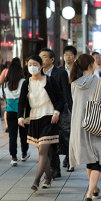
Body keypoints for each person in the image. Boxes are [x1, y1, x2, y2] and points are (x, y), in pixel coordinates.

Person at [68, 54, 101, 201]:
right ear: (90, 65)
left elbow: (74, 104)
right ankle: (89, 194)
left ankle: (94, 188)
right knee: (98, 158)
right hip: (98, 124)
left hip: (79, 124)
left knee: (89, 158)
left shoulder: (74, 83)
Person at [18, 55, 64, 190]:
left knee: (43, 150)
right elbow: (21, 101)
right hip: (34, 118)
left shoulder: (49, 80)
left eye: (35, 64)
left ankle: (36, 181)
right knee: (42, 151)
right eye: (29, 64)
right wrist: (21, 117)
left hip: (49, 117)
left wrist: (57, 112)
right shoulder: (26, 83)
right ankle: (48, 178)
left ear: (41, 66)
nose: (32, 66)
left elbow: (61, 98)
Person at [39, 48, 72, 179]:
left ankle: (58, 165)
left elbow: (65, 93)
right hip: (43, 113)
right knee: (47, 141)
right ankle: (53, 167)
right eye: (40, 57)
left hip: (58, 112)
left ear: (52, 59)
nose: (41, 59)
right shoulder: (38, 74)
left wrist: (68, 110)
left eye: (44, 57)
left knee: (56, 139)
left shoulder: (61, 73)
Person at [0, 58, 30, 166]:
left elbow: (1, 96)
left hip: (10, 112)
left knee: (12, 136)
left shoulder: (5, 84)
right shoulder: (23, 82)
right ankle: (24, 154)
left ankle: (13, 157)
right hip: (22, 112)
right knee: (23, 135)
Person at [58, 46, 78, 172]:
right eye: (66, 54)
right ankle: (67, 156)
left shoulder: (79, 71)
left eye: (71, 54)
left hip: (77, 104)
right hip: (63, 106)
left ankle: (70, 159)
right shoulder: (59, 71)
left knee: (73, 133)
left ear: (75, 57)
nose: (68, 57)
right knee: (65, 133)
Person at [0, 61, 11, 133]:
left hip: (7, 90)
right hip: (16, 92)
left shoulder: (5, 70)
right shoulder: (16, 70)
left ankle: (7, 125)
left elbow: (0, 80)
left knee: (7, 108)